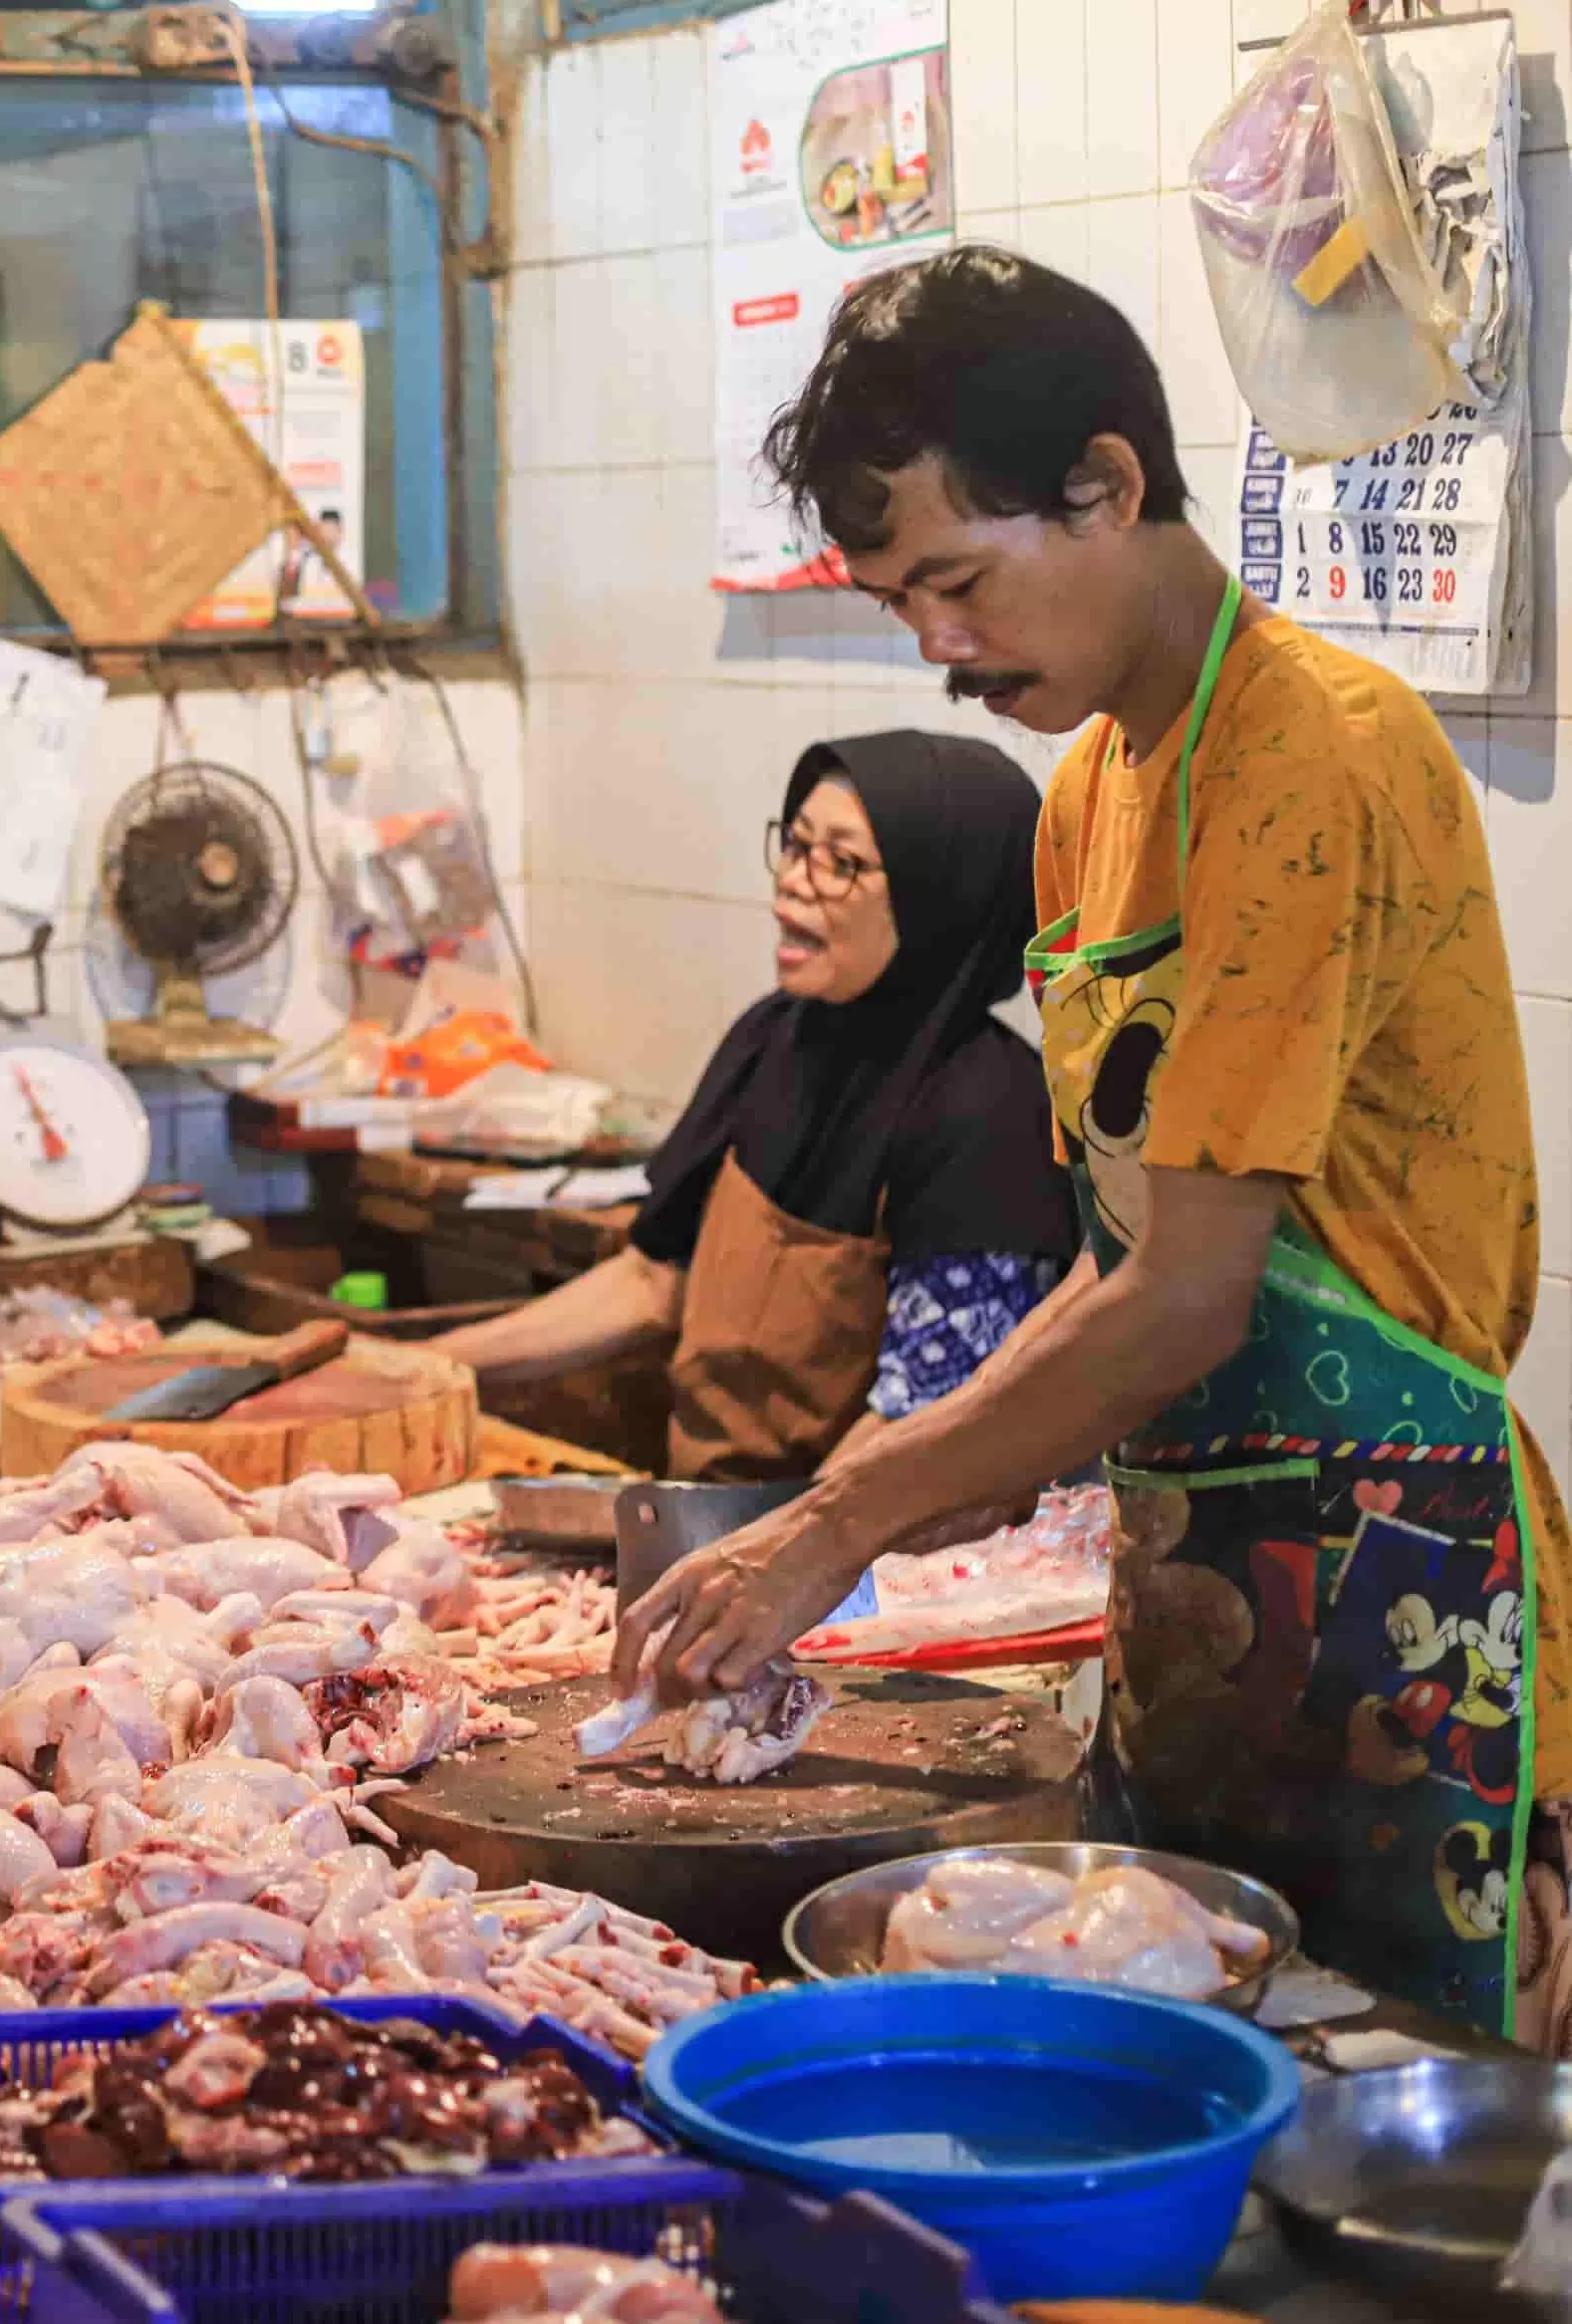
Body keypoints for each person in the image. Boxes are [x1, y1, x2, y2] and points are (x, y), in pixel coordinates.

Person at [622, 246, 1566, 2044]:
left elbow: (1199, 1285)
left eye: (958, 583)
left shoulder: (1315, 751)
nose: (938, 646)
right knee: (1179, 2065)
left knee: (1375, 2118)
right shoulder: (1093, 796)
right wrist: (943, 1472)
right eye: (902, 604)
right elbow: (1114, 1258)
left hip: (1406, 1582)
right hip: (1192, 1570)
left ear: (1110, 486)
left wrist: (837, 1519)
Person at [427, 731, 1074, 1481]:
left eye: (843, 863)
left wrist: (767, 1556)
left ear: (940, 895)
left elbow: (925, 1422)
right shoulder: (775, 1040)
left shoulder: (990, 1114)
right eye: (795, 846)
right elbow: (651, 1282)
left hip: (879, 1558)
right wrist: (428, 1366)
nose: (795, 883)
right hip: (728, 1522)